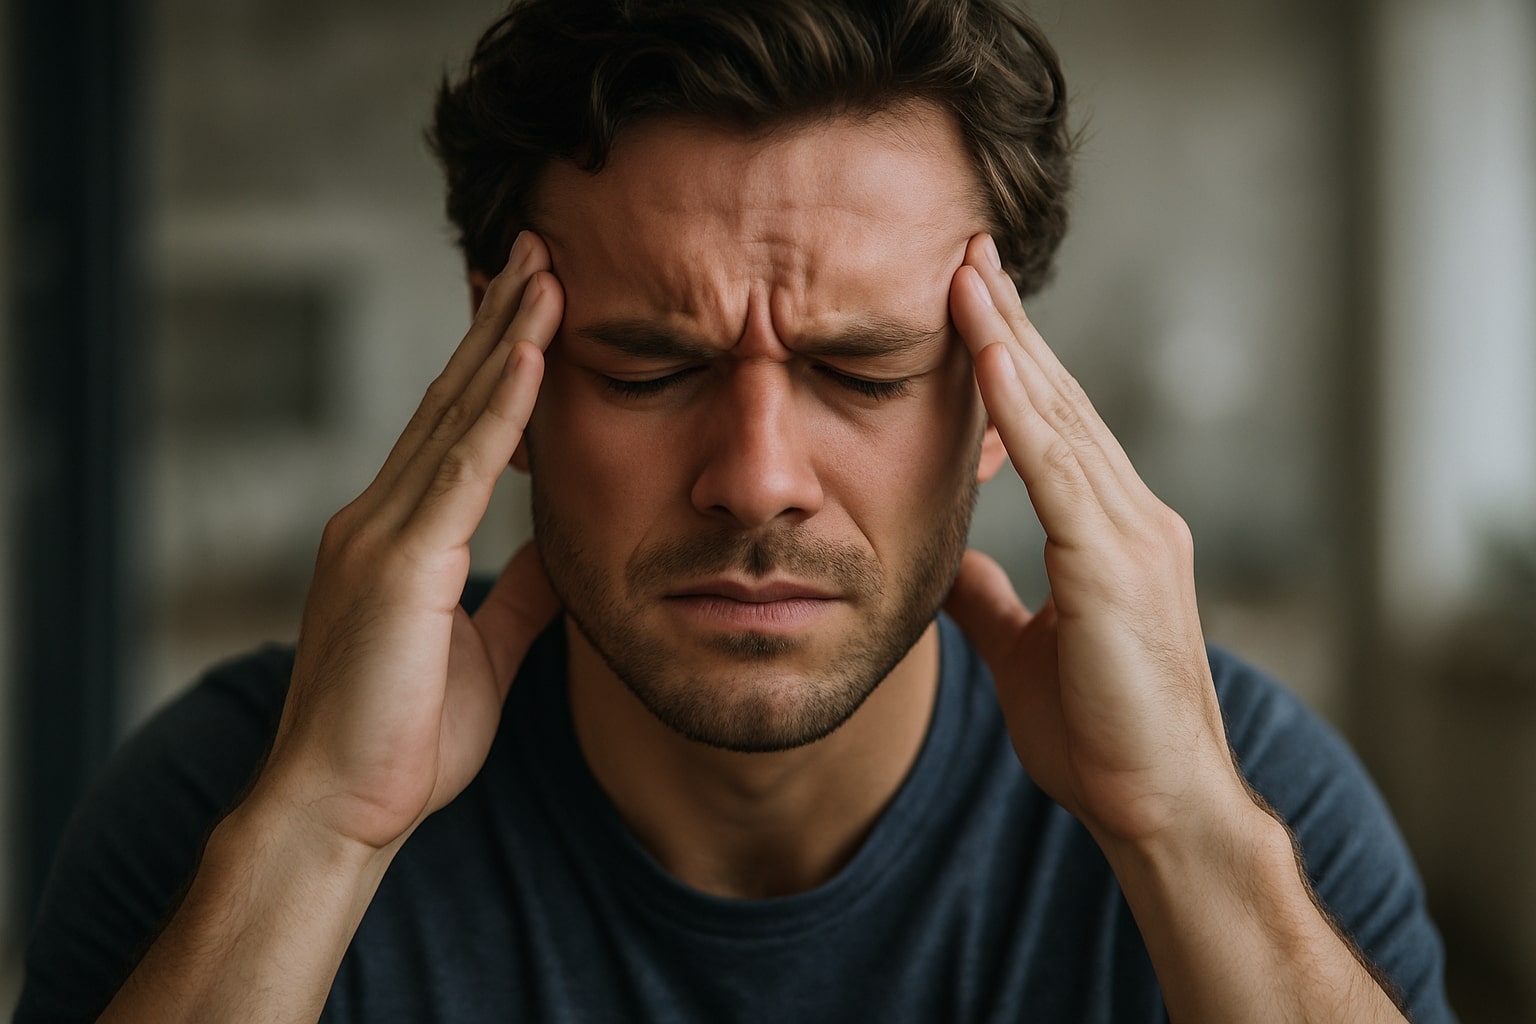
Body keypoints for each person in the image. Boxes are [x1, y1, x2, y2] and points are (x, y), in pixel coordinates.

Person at [16, 1, 1454, 1021]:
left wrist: (1185, 836)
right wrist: (319, 833)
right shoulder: (231, 800)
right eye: (649, 365)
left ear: (1005, 399)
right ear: (497, 377)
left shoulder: (1251, 794)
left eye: (863, 368)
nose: (758, 475)